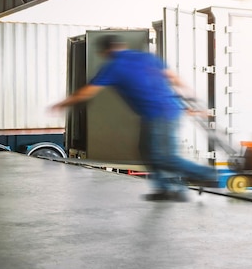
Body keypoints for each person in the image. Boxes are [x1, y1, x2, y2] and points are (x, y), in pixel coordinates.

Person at [51, 33, 217, 201]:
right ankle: (166, 188)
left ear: (105, 51)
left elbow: (86, 92)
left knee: (163, 156)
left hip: (159, 114)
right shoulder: (148, 58)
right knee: (147, 151)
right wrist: (192, 98)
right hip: (166, 110)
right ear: (121, 45)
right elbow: (173, 78)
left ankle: (206, 174)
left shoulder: (113, 65)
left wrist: (62, 104)